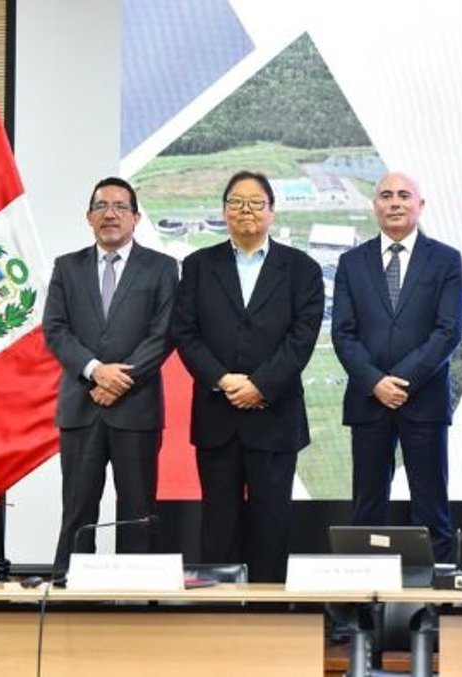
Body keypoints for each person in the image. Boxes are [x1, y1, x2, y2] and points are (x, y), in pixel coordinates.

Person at [171, 170, 324, 582]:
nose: (246, 211)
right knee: (218, 524)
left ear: (272, 211)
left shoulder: (302, 269)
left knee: (272, 525)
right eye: (236, 202)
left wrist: (259, 385)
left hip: (274, 417)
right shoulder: (199, 265)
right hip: (217, 415)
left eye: (256, 203)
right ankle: (219, 611)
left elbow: (302, 338)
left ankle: (268, 611)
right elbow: (185, 332)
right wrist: (224, 380)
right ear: (224, 212)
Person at [42, 176, 178, 580]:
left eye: (120, 206)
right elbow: (55, 330)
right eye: (101, 206)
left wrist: (120, 380)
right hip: (81, 407)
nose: (110, 214)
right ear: (89, 217)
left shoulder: (162, 267)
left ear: (136, 217)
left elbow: (164, 333)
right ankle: (69, 586)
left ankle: (136, 591)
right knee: (77, 508)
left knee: (137, 510)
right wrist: (95, 371)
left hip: (136, 408)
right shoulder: (67, 267)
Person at [331, 171, 462, 563]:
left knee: (431, 505)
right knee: (367, 506)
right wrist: (376, 382)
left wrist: (400, 381)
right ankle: (365, 588)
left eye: (404, 195)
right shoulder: (351, 262)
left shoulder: (445, 259)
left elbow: (448, 331)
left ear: (420, 205)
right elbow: (342, 332)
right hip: (369, 400)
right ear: (375, 206)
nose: (395, 202)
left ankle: (436, 587)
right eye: (386, 195)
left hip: (423, 399)